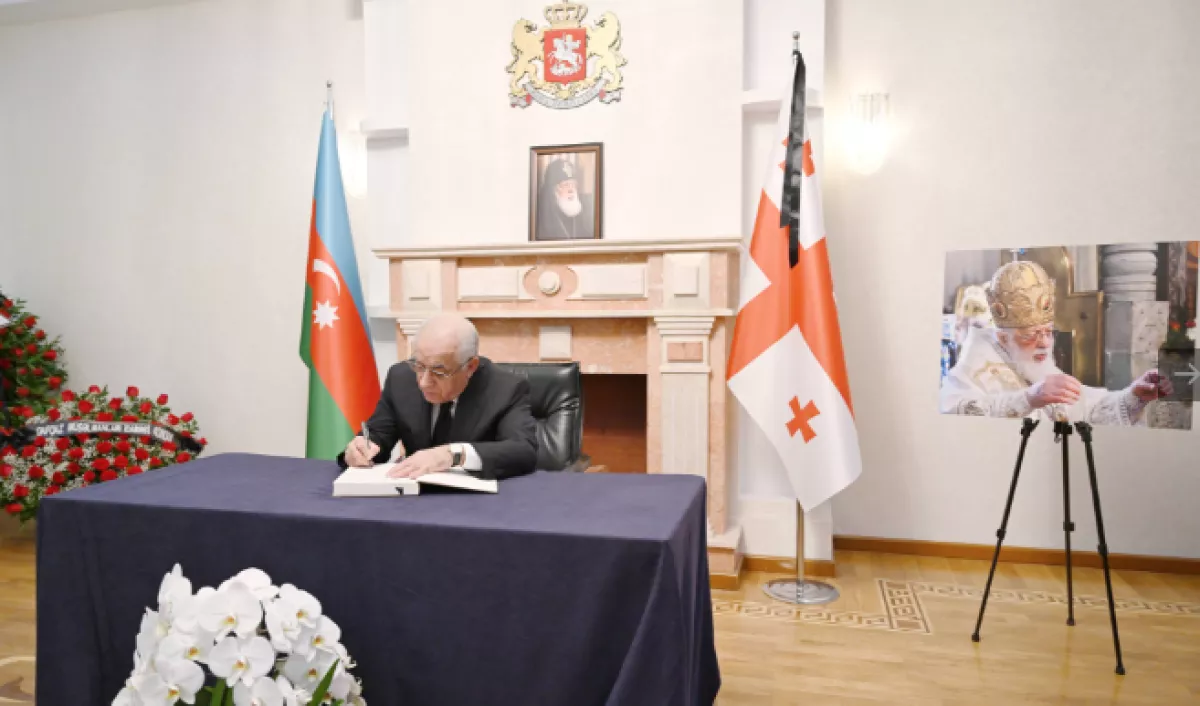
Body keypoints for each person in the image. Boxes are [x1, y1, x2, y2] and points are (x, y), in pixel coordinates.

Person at [939, 260, 1171, 424]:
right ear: (1003, 338)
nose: (1043, 343)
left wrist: (1133, 397)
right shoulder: (972, 370)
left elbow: (1087, 408)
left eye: (1048, 332)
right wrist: (1028, 399)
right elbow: (952, 412)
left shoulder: (1036, 366)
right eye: (1030, 335)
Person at [339, 313, 538, 480]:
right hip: (413, 497)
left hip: (475, 502)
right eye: (418, 366)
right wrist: (361, 450)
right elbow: (378, 435)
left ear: (470, 366)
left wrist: (452, 455)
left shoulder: (505, 389)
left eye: (439, 372)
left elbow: (523, 451)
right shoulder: (401, 378)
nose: (424, 382)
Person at [535, 157, 595, 240]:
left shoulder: (585, 213)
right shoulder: (542, 219)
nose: (571, 190)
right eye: (565, 185)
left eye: (573, 184)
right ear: (553, 191)